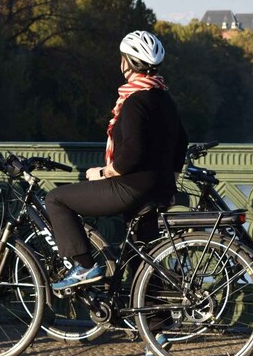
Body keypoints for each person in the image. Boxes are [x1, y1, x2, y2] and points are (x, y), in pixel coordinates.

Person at [45, 30, 188, 291]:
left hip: (130, 188)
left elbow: (132, 152)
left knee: (56, 199)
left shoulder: (135, 101)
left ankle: (85, 267)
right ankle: (155, 327)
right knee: (141, 257)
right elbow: (182, 142)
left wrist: (104, 172)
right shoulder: (164, 98)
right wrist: (171, 179)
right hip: (159, 189)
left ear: (128, 62)